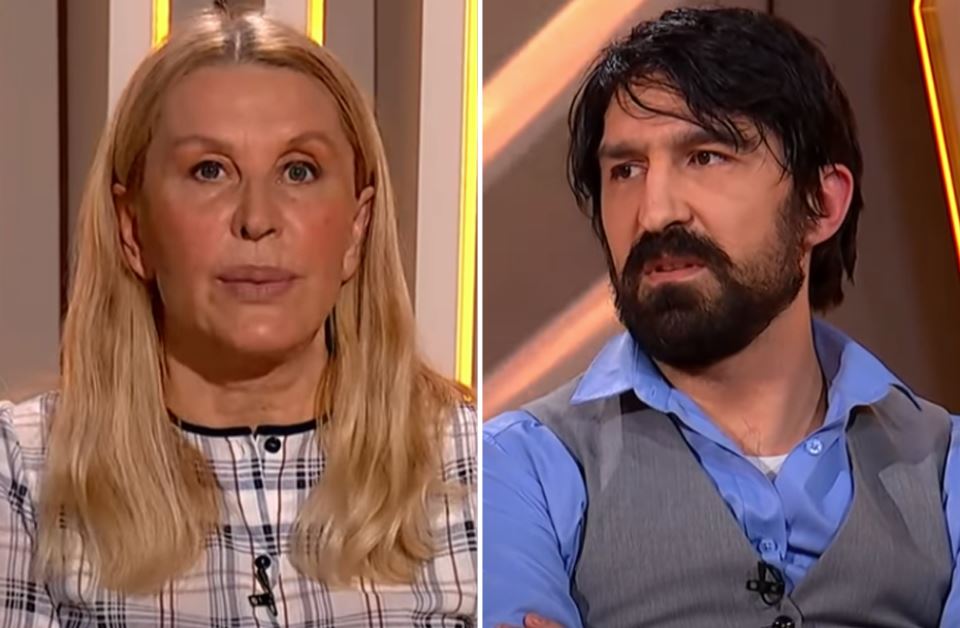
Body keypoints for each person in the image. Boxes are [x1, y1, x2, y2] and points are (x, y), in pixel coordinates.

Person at [484, 7, 960, 628]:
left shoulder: (945, 465)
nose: (655, 212)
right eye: (626, 171)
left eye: (705, 157)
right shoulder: (520, 469)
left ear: (821, 203)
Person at [0, 8, 476, 627]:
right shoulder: (25, 473)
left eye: (299, 170)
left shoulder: (470, 463)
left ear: (356, 229)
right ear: (132, 227)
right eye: (210, 171)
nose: (256, 219)